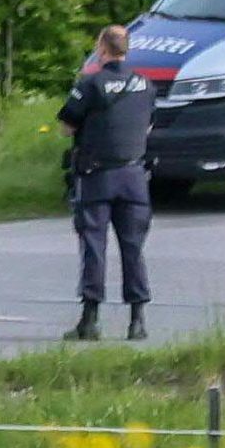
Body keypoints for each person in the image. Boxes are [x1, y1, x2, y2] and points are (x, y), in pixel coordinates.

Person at [58, 25, 155, 342]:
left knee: (94, 248)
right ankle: (137, 321)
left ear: (102, 48)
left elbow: (66, 126)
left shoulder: (91, 84)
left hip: (97, 177)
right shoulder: (145, 85)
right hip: (134, 177)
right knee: (133, 249)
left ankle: (90, 321)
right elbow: (147, 125)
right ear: (126, 49)